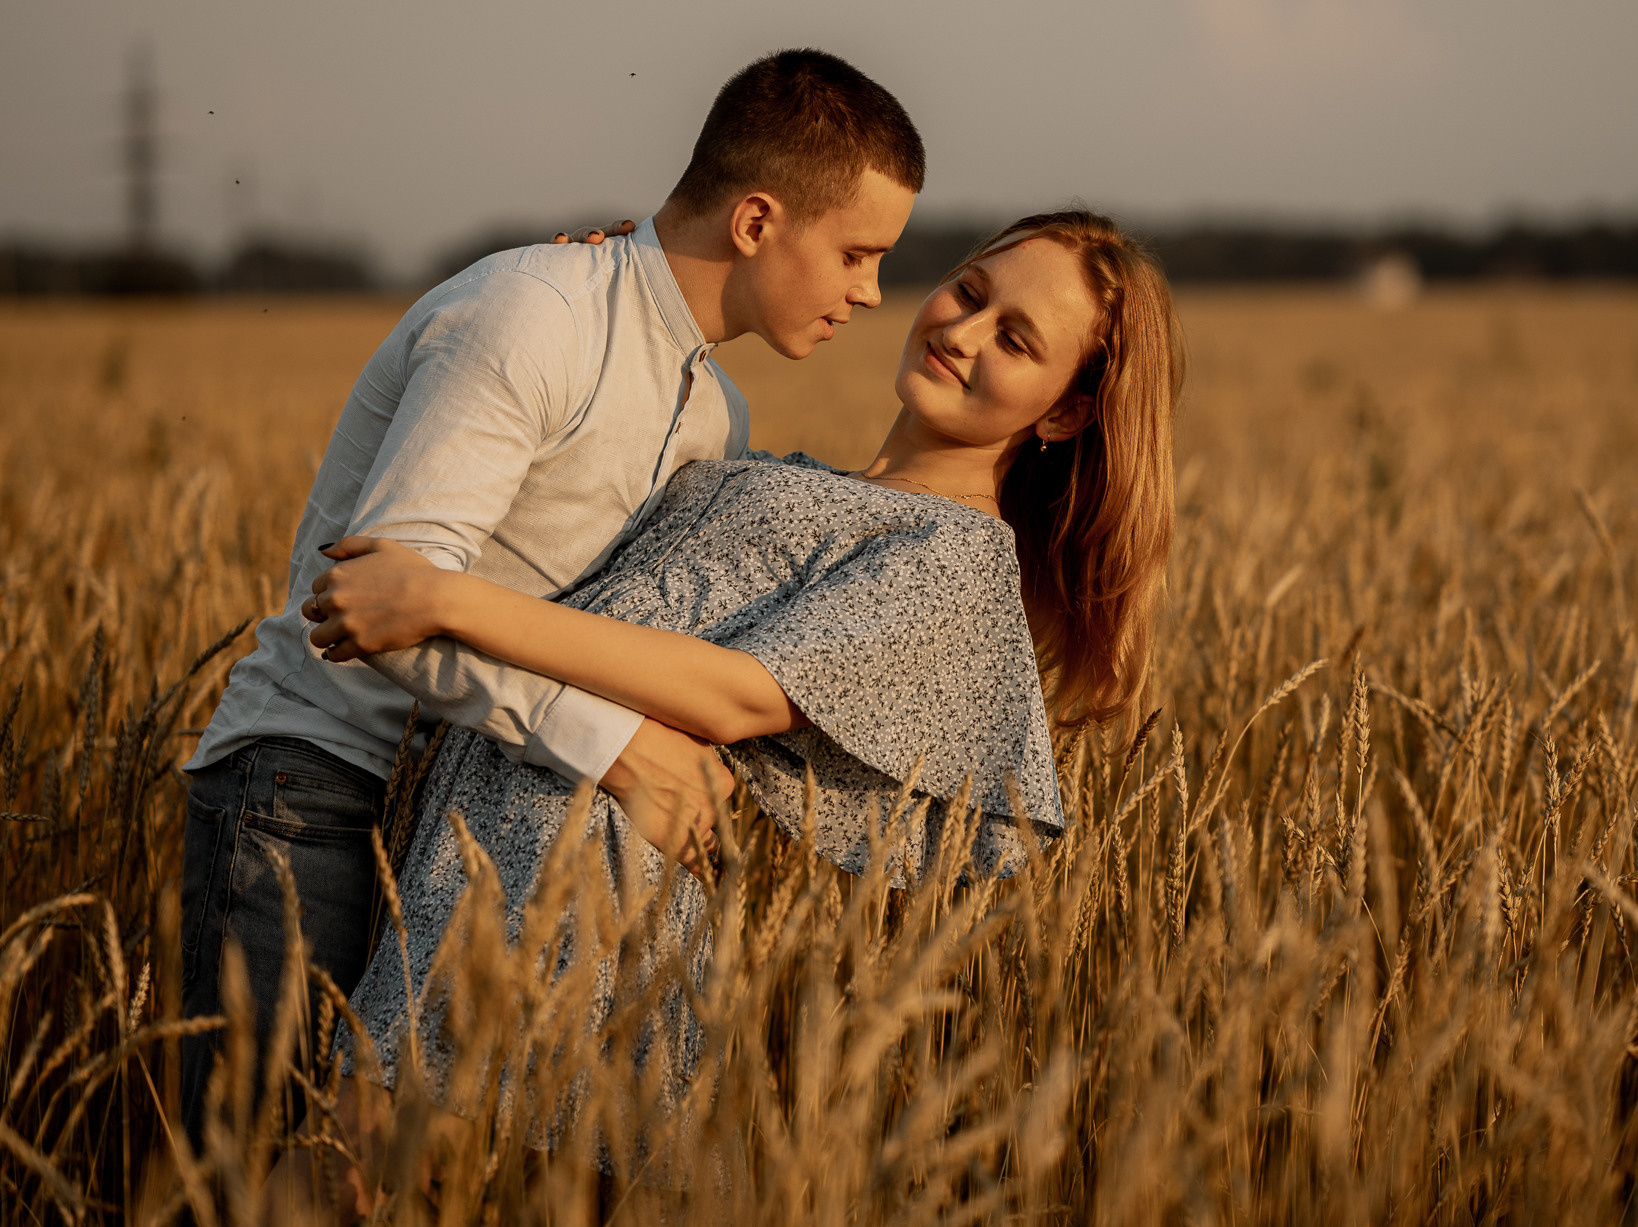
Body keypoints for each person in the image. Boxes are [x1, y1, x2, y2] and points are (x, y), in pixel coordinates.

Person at [301, 210, 1183, 1166]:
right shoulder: (787, 473)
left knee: (342, 1180)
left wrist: (444, 599)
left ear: (1062, 412)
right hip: (473, 830)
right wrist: (599, 305)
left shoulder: (958, 560)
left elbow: (733, 695)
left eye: (1016, 341)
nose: (963, 332)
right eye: (971, 292)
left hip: (576, 892)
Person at [176, 48, 925, 1136]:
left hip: (476, 822)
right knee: (257, 1180)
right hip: (315, 790)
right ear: (758, 222)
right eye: (857, 253)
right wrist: (611, 744)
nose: (869, 291)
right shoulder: (534, 314)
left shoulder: (716, 413)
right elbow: (369, 609)